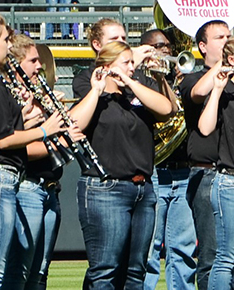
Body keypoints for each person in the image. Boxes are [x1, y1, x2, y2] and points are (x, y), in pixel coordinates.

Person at [70, 41, 173, 288]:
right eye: (126, 63)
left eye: (131, 62)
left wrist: (131, 83)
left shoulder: (136, 90)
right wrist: (97, 89)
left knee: (135, 272)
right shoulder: (95, 92)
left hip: (142, 189)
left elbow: (167, 108)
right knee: (106, 270)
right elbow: (74, 123)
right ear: (107, 66)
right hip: (106, 189)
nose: (132, 67)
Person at [0, 9, 64, 289]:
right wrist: (43, 131)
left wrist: (24, 118)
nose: (8, 44)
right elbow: (3, 140)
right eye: (5, 40)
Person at [2, 34, 79, 289]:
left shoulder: (40, 96)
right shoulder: (9, 97)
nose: (39, 67)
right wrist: (56, 138)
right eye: (33, 60)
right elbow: (17, 148)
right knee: (18, 272)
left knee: (40, 274)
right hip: (27, 187)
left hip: (50, 187)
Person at [199, 35, 234, 290]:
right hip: (231, 180)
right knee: (227, 256)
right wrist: (219, 88)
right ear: (232, 60)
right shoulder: (226, 91)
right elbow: (205, 128)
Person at [141, 29, 197, 290]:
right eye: (158, 46)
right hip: (154, 173)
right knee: (149, 252)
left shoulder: (181, 82)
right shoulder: (138, 81)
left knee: (183, 252)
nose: (165, 51)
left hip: (183, 172)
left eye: (168, 46)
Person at [179, 20, 231, 290]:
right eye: (220, 37)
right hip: (207, 173)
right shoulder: (192, 76)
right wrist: (226, 63)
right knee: (211, 256)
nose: (226, 40)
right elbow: (199, 92)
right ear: (202, 46)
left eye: (229, 36)